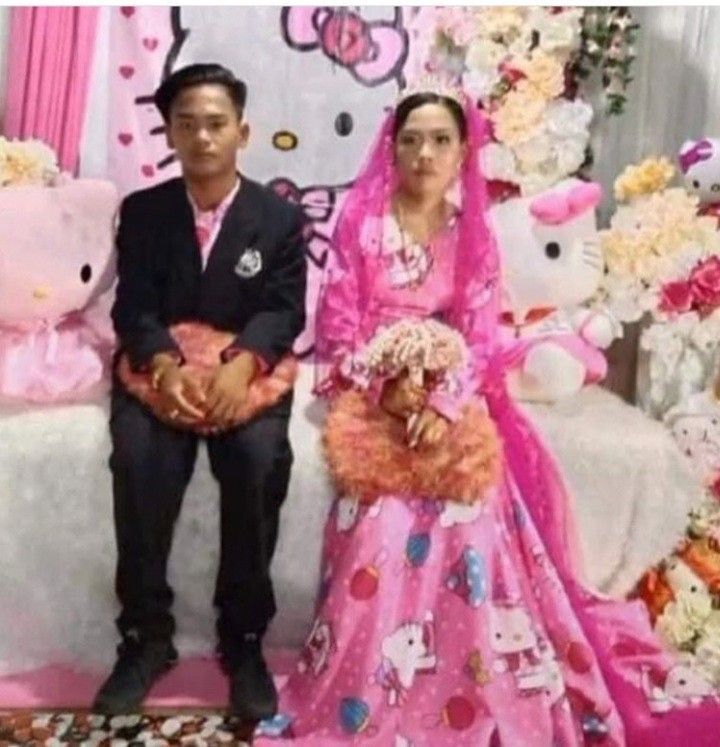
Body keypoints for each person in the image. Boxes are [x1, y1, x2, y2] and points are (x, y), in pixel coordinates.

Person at [93, 63, 307, 720]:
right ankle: (145, 637)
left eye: (216, 123)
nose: (203, 136)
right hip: (163, 372)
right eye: (187, 124)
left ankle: (242, 640)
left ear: (243, 131)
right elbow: (133, 306)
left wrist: (241, 365)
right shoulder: (144, 212)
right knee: (138, 459)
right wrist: (165, 366)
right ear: (169, 133)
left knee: (257, 459)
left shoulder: (278, 218)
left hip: (245, 373)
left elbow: (283, 310)